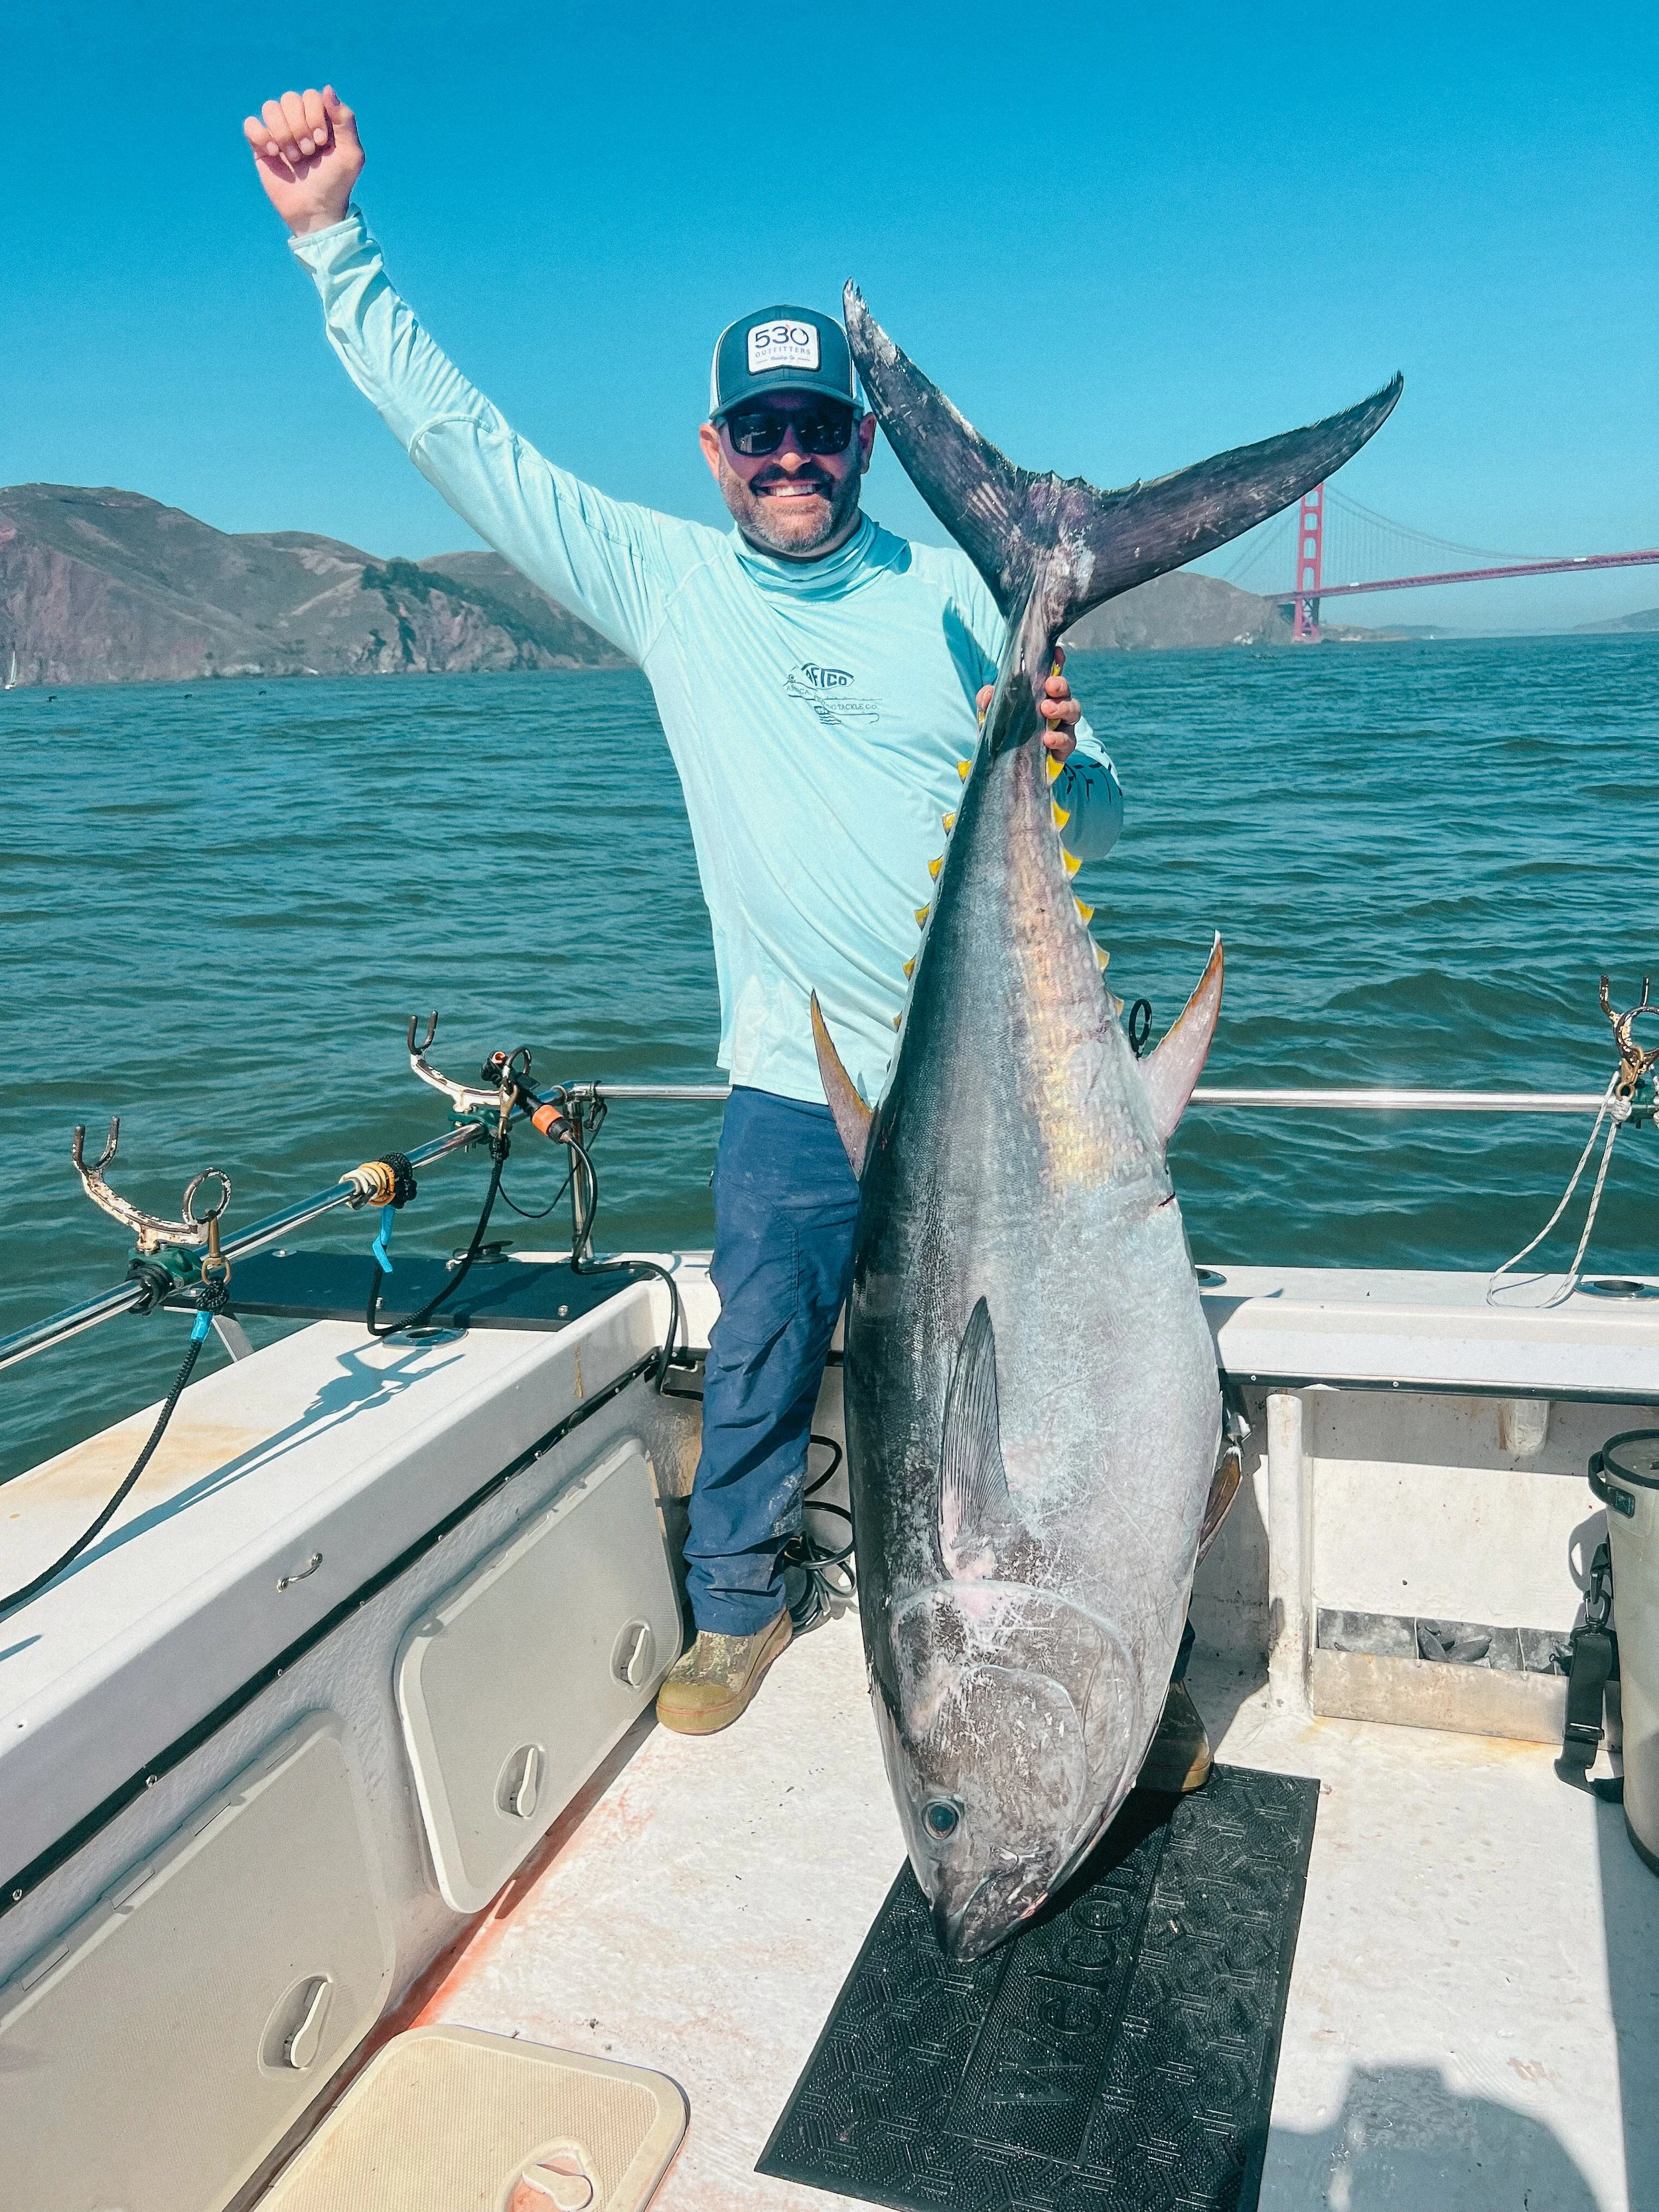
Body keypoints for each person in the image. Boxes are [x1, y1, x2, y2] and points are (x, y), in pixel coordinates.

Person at [242, 86, 1207, 1786]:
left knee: (1085, 1387)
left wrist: (1058, 753)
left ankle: (1133, 1643)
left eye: (817, 432)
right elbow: (466, 445)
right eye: (757, 433)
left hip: (1022, 1095)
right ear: (712, 451)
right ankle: (740, 1600)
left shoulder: (959, 596)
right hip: (794, 1078)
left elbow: (1103, 823)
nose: (787, 460)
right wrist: (334, 243)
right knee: (760, 1346)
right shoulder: (662, 584)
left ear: (856, 444)